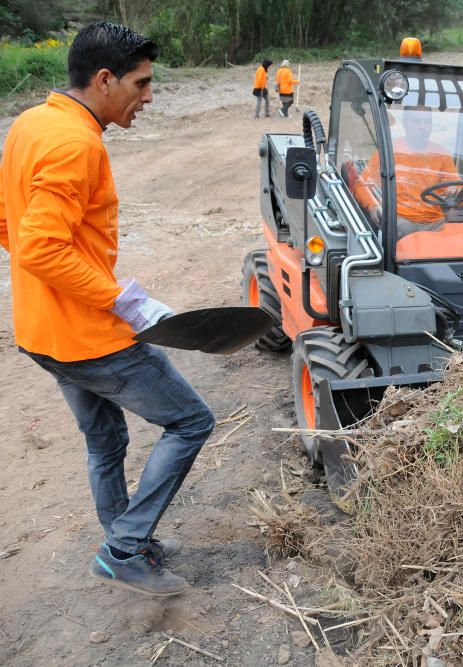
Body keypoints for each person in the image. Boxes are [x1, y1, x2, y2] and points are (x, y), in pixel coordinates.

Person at [0, 21, 215, 596]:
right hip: (88, 338)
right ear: (104, 80)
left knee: (105, 441)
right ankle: (124, 548)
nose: (149, 97)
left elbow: (10, 226)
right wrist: (119, 298)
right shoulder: (76, 143)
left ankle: (127, 541)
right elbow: (43, 246)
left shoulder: (31, 124)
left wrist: (63, 282)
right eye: (141, 84)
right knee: (192, 420)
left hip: (41, 331)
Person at [353, 106, 460, 238]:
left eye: (427, 122)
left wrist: (454, 188)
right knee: (410, 237)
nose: (422, 127)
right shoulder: (389, 152)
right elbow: (362, 185)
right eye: (416, 122)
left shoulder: (440, 154)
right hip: (401, 218)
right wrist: (372, 205)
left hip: (436, 220)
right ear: (405, 124)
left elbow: (458, 186)